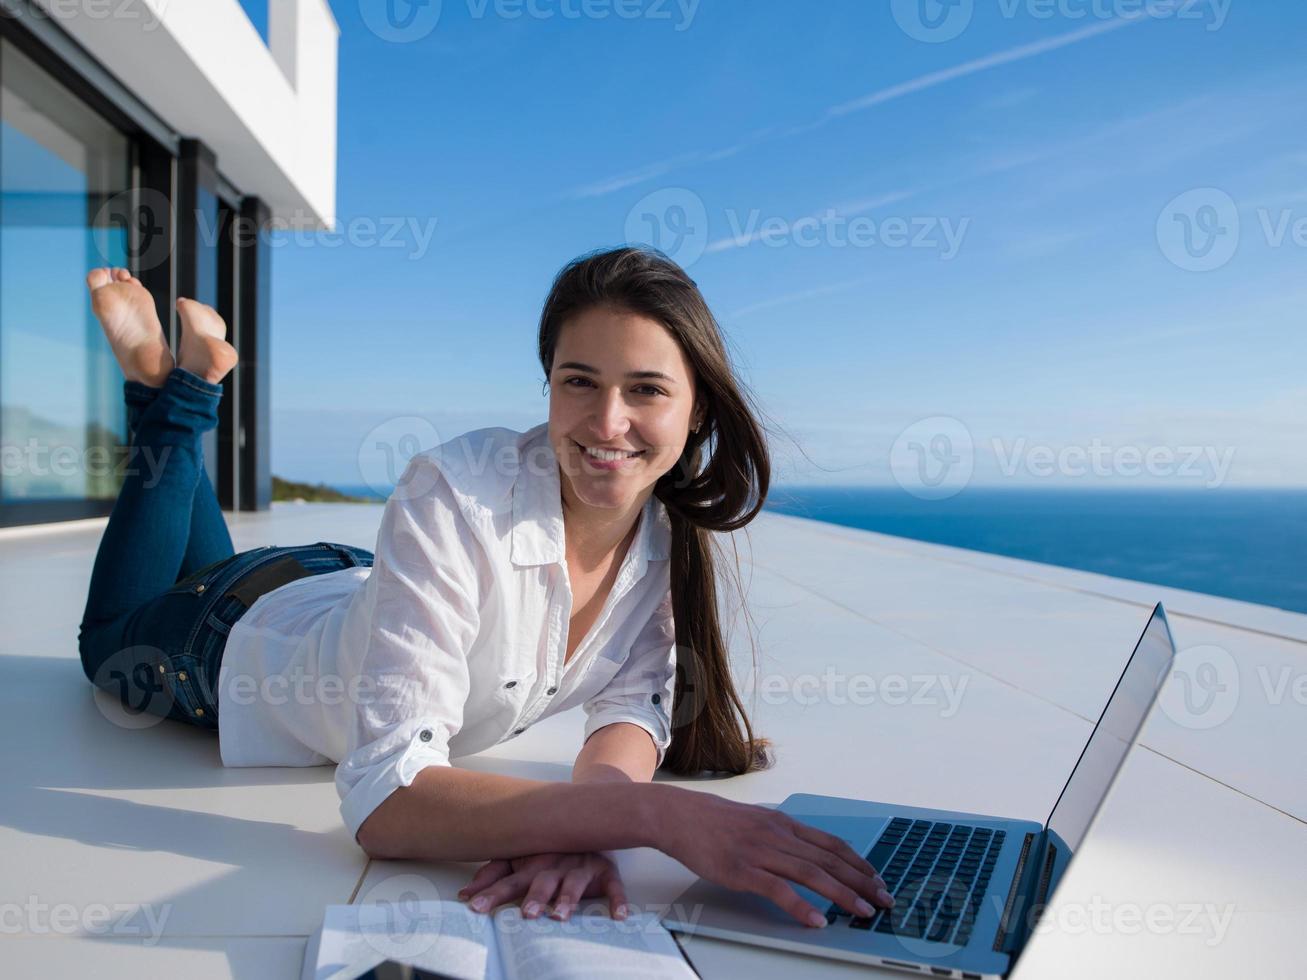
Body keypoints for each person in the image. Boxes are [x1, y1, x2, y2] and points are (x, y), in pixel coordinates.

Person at [76, 246, 893, 931]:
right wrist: (654, 818)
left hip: (334, 581)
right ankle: (181, 395)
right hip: (224, 638)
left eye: (645, 389)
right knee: (105, 641)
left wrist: (592, 818)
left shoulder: (665, 534)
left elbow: (633, 707)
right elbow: (386, 801)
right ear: (546, 384)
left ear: (697, 411)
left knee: (193, 568)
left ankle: (169, 379)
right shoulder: (455, 486)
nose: (607, 422)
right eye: (579, 381)